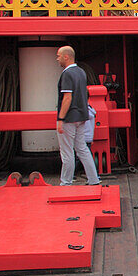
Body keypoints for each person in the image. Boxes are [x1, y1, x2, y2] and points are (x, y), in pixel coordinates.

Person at [55, 46, 101, 187]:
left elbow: (67, 98)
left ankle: (66, 182)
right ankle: (93, 179)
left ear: (66, 57)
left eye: (59, 56)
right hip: (82, 116)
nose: (57, 59)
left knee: (67, 152)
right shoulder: (81, 72)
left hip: (69, 118)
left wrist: (60, 119)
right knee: (82, 149)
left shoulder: (67, 74)